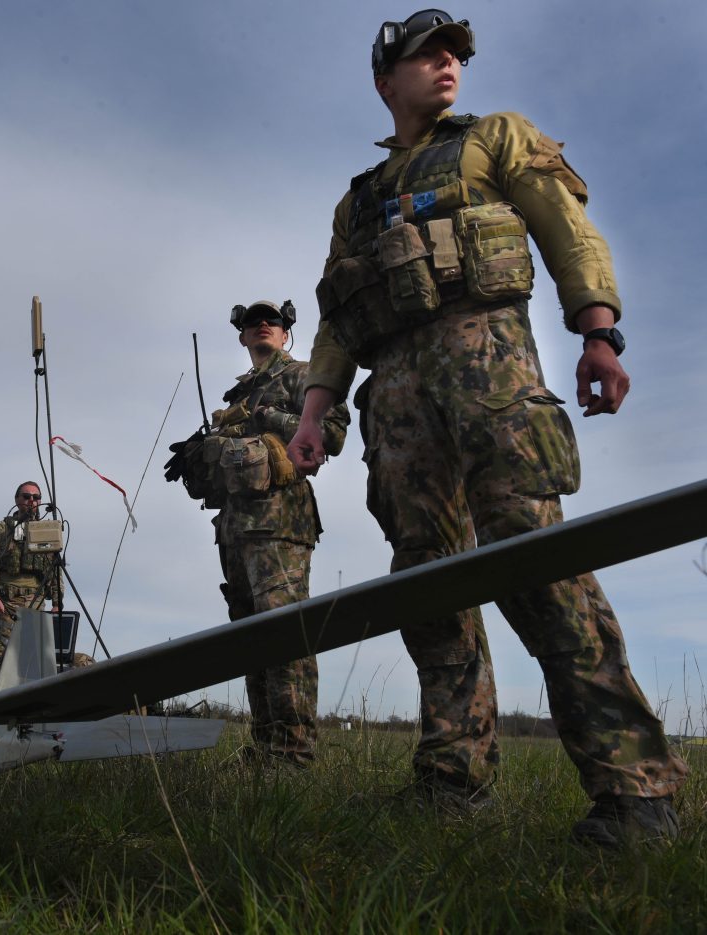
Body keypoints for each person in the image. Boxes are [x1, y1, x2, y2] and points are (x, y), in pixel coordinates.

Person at [286, 10, 686, 844]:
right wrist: (315, 408)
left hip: (491, 370)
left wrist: (599, 332)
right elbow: (335, 318)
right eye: (425, 56)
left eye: (454, 56)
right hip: (393, 397)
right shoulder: (355, 203)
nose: (446, 66)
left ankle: (635, 788)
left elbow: (565, 226)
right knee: (426, 584)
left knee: (536, 561)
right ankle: (451, 775)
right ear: (383, 81)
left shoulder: (496, 138)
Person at [214, 300, 349, 766]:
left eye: (272, 320)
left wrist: (268, 416)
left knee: (285, 632)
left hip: (282, 524)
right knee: (250, 637)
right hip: (234, 528)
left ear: (287, 332)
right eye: (254, 322)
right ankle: (264, 745)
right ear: (242, 336)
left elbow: (332, 434)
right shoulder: (237, 393)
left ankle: (293, 751)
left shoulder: (302, 376)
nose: (263, 326)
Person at [0, 481, 63, 690]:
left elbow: (55, 569)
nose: (31, 501)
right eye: (26, 496)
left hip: (36, 605)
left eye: (36, 497)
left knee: (35, 664)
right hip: (6, 604)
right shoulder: (0, 530)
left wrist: (58, 602)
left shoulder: (47, 531)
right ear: (17, 500)